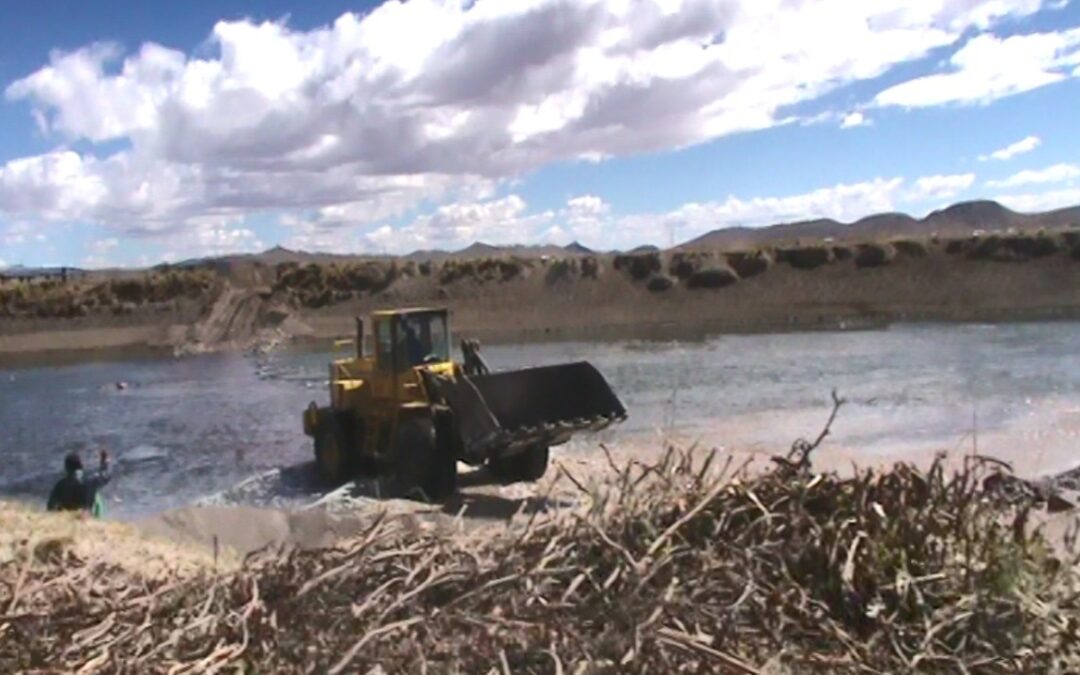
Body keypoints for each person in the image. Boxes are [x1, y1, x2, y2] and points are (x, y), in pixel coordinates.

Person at [47, 449, 111, 517]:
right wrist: (105, 463)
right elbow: (105, 475)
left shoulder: (60, 485)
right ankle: (98, 519)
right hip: (87, 516)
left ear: (66, 468)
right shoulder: (91, 481)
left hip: (68, 517)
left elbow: (50, 506)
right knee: (97, 496)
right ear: (81, 466)